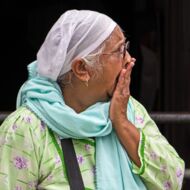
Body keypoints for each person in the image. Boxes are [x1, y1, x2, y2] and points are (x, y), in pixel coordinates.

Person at [0, 9, 185, 190]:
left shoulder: (128, 110)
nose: (129, 59)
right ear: (82, 69)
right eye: (119, 51)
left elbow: (172, 181)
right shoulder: (26, 128)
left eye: (125, 47)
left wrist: (121, 123)